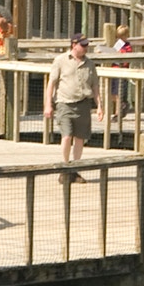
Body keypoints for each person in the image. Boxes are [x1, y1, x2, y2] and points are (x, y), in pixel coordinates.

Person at [44, 34, 100, 183]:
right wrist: (48, 104)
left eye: (87, 45)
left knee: (80, 138)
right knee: (67, 136)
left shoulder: (90, 64)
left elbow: (95, 86)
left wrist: (100, 106)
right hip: (64, 103)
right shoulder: (60, 60)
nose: (85, 48)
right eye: (83, 45)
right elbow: (51, 83)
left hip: (83, 103)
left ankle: (75, 169)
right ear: (73, 45)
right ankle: (65, 167)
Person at [99, 24, 133, 123]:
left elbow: (127, 59)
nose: (121, 39)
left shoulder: (128, 47)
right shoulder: (118, 44)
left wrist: (120, 55)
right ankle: (124, 104)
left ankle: (118, 114)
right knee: (112, 94)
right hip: (114, 70)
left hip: (121, 72)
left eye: (123, 36)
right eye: (119, 36)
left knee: (118, 94)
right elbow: (112, 51)